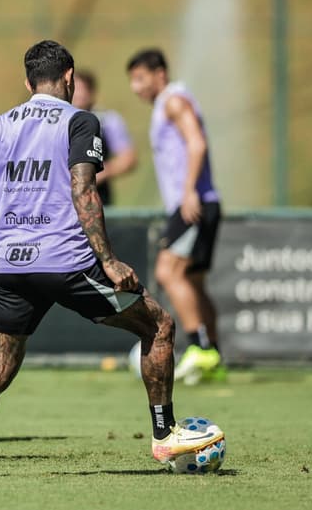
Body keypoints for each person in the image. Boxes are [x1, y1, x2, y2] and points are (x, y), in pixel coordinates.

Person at [0, 40, 224, 477]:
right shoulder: (80, 121)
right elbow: (84, 189)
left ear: (27, 81)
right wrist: (108, 259)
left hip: (13, 268)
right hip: (67, 263)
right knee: (160, 326)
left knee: (0, 365)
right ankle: (165, 436)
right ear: (70, 77)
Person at [126, 48, 224, 385]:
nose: (135, 88)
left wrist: (188, 191)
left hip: (192, 203)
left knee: (167, 271)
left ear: (160, 74)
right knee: (194, 282)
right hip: (201, 201)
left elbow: (196, 144)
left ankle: (198, 348)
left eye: (139, 79)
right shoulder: (167, 103)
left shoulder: (173, 101)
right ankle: (215, 357)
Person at [71, 69, 138, 205]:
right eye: (72, 88)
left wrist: (99, 173)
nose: (76, 94)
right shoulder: (58, 122)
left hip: (98, 200)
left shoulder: (107, 121)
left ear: (91, 93)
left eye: (80, 89)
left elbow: (128, 158)